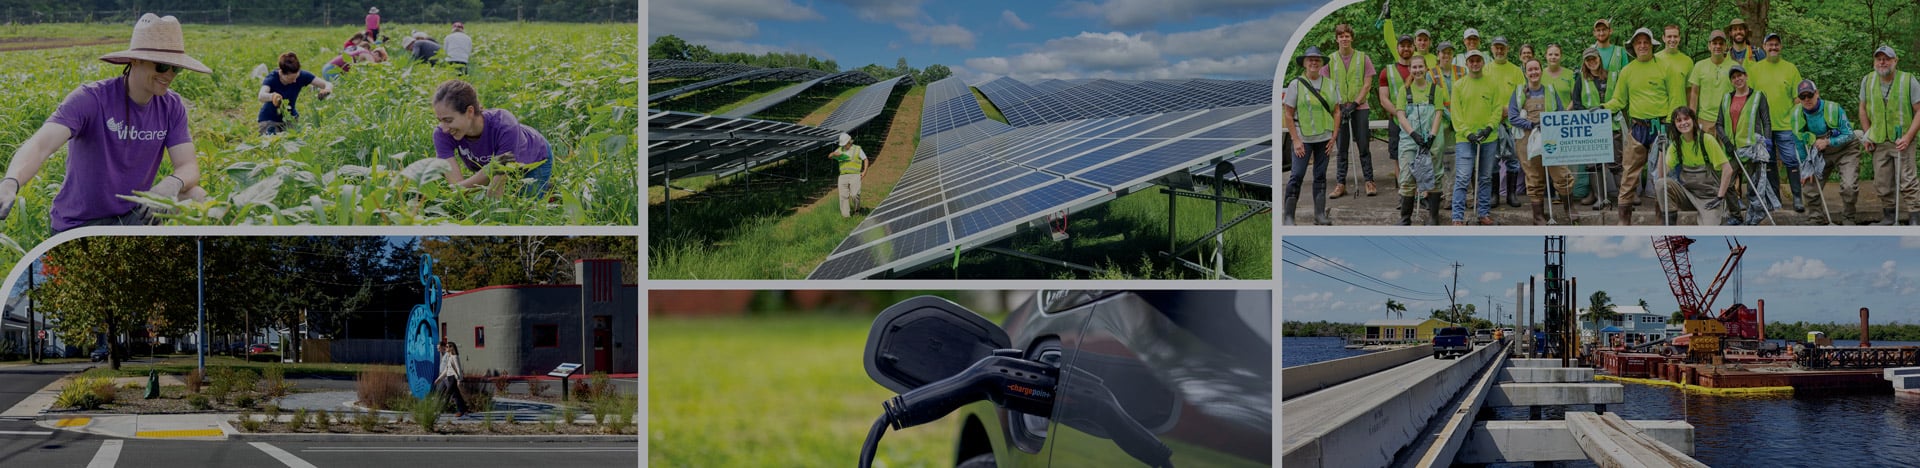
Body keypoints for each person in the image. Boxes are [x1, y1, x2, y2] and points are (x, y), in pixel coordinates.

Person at [0, 14, 209, 232]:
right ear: (136, 60)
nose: (169, 75)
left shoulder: (171, 106)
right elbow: (41, 145)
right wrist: (11, 182)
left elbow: (188, 165)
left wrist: (171, 184)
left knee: (195, 197)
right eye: (162, 66)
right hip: (80, 225)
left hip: (131, 215)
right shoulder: (92, 99)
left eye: (176, 68)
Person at [1601, 28, 1682, 225]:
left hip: (1661, 128)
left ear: (1652, 45)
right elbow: (1618, 100)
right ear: (1634, 47)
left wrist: (1672, 126)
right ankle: (1623, 220)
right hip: (1637, 128)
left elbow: (1676, 98)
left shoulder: (1666, 67)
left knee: (1661, 176)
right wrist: (1602, 108)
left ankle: (1661, 220)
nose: (1643, 45)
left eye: (1646, 42)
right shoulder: (1628, 70)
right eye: (1639, 42)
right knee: (1628, 174)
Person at [431, 79, 555, 198]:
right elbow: (456, 189)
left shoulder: (505, 126)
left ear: (470, 112)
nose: (444, 128)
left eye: (448, 120)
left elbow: (495, 193)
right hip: (500, 165)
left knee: (524, 208)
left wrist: (492, 172)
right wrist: (490, 169)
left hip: (534, 157)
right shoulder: (441, 134)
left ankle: (548, 191)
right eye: (440, 120)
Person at [1856, 45, 1920, 225]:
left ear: (1895, 61)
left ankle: (1915, 217)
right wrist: (1867, 134)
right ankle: (1889, 217)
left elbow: (1919, 111)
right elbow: (1862, 108)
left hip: (1902, 140)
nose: (1882, 62)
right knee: (1882, 182)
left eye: (1886, 58)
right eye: (1879, 58)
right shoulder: (1867, 80)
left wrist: (1908, 137)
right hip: (1878, 140)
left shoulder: (1908, 80)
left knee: (1908, 180)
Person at [1383, 55, 1448, 225]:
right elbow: (1401, 115)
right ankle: (1405, 219)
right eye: (1414, 67)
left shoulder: (1436, 90)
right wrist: (1414, 135)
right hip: (1409, 139)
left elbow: (1439, 114)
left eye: (1421, 67)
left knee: (1434, 175)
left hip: (1432, 139)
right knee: (1407, 178)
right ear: (1410, 70)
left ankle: (1433, 218)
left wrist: (1431, 137)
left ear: (1426, 69)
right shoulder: (1404, 91)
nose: (1418, 70)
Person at [1508, 59, 1573, 224]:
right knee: (1534, 177)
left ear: (1541, 71)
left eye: (1536, 69)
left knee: (1562, 174)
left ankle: (1570, 209)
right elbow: (1513, 117)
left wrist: (1548, 123)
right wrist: (1531, 124)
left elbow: (1559, 112)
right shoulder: (1518, 92)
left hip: (1550, 137)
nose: (1534, 72)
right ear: (1525, 73)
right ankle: (1538, 216)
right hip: (1527, 139)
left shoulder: (1550, 90)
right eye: (1530, 70)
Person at [1747, 33, 1806, 212]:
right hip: (1764, 126)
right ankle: (1775, 199)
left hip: (1786, 124)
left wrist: (1796, 120)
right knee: (1769, 162)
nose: (1773, 47)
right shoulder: (1755, 69)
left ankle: (1797, 197)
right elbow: (1750, 97)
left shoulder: (1790, 68)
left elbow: (1798, 98)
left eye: (1776, 45)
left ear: (1781, 47)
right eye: (1770, 44)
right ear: (1764, 47)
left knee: (1791, 160)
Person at [1794, 80, 1864, 225]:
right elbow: (1799, 142)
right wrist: (1805, 166)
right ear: (1799, 99)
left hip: (1845, 149)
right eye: (1803, 97)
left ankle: (1848, 218)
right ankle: (1816, 218)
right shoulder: (1796, 115)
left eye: (1810, 95)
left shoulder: (1833, 108)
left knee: (1849, 186)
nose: (1807, 99)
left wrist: (1828, 141)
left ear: (1817, 93)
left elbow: (1849, 134)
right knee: (1809, 185)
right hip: (1819, 153)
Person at [1284, 47, 1338, 225]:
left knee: (1320, 175)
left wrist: (1334, 137)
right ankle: (1289, 216)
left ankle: (1319, 215)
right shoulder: (1296, 84)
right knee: (1297, 175)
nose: (1314, 62)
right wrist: (1295, 140)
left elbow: (1337, 112)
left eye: (1317, 60)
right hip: (1303, 139)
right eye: (1310, 60)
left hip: (1325, 139)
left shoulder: (1330, 84)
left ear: (1322, 63)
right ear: (1305, 63)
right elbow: (1288, 114)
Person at [1450, 50, 1504, 225]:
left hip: (1488, 138)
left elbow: (1497, 109)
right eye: (1471, 61)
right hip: (1465, 139)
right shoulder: (1459, 85)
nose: (1475, 64)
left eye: (1478, 60)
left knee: (1485, 177)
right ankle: (1457, 217)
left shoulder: (1492, 84)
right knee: (1463, 177)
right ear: (1467, 63)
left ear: (1482, 62)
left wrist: (1489, 127)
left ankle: (1483, 213)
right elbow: (1456, 114)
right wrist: (1468, 133)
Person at [1658, 106, 1737, 225]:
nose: (1683, 123)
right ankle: (1670, 227)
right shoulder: (1676, 146)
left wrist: (1720, 197)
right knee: (1661, 184)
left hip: (1710, 198)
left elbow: (1728, 170)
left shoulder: (1707, 140)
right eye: (1679, 120)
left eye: (1686, 119)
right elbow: (1662, 176)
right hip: (1688, 195)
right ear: (1675, 125)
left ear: (1693, 120)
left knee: (1709, 230)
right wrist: (1660, 151)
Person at [1721, 64, 1777, 225]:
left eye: (1740, 75)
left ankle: (1754, 217)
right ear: (1731, 81)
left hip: (1752, 148)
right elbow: (1719, 123)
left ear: (1746, 76)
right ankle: (1736, 216)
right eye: (1733, 77)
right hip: (1733, 149)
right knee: (1728, 183)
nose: (1737, 79)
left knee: (1754, 185)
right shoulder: (1726, 98)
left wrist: (1767, 142)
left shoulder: (1758, 96)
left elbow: (1766, 120)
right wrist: (1726, 141)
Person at [1328, 24, 1378, 198]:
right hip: (1340, 109)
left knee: (1363, 145)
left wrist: (1355, 104)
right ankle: (1341, 183)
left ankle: (1369, 182)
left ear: (1352, 38)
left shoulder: (1363, 58)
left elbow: (1367, 84)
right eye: (1341, 36)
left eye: (1347, 36)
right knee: (1341, 148)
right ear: (1337, 39)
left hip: (1360, 108)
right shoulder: (1330, 60)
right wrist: (1339, 107)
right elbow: (1326, 87)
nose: (1344, 39)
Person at [1573, 47, 1622, 211]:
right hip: (1590, 127)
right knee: (1593, 164)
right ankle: (1600, 198)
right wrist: (1587, 115)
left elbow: (1619, 98)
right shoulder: (1581, 78)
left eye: (1594, 59)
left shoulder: (1611, 76)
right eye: (1588, 60)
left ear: (1599, 59)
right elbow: (1577, 103)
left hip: (1611, 124)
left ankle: (1623, 199)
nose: (1592, 62)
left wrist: (1604, 110)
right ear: (1585, 63)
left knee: (1616, 162)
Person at [1486, 37, 1525, 207]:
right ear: (1492, 49)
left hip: (1512, 121)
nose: (1499, 51)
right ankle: (1494, 195)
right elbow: (1483, 94)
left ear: (1507, 49)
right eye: (1497, 48)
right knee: (1493, 159)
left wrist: (1511, 110)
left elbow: (1522, 93)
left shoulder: (1516, 70)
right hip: (1493, 121)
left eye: (1502, 48)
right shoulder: (1486, 69)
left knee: (1513, 159)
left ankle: (1511, 194)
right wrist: (1496, 112)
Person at [257, 52, 333, 135]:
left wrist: (327, 90)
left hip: (290, 119)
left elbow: (327, 84)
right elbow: (261, 96)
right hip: (269, 120)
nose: (294, 81)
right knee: (274, 143)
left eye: (296, 77)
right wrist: (273, 96)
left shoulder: (302, 75)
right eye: (291, 78)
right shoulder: (272, 78)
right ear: (282, 73)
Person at [1379, 34, 1416, 174]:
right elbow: (1384, 99)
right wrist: (1400, 115)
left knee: (1421, 157)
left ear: (1414, 47)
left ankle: (1421, 194)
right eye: (1403, 46)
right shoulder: (1386, 71)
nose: (1406, 48)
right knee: (1398, 158)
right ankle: (1403, 193)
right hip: (1396, 121)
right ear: (1397, 48)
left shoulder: (1420, 68)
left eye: (1409, 45)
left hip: (1419, 120)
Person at [1691, 31, 1737, 140]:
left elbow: (1740, 93)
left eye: (1721, 43)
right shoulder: (1699, 66)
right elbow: (1694, 93)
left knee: (1726, 154)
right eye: (1714, 43)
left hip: (1727, 120)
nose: (1718, 46)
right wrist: (1692, 117)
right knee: (1706, 154)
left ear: (1726, 46)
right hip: (1705, 119)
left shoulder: (1734, 67)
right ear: (1709, 46)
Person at [1656, 25, 1694, 117]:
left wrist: (1690, 113)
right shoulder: (1655, 59)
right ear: (1663, 38)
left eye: (1675, 36)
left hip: (1681, 115)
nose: (1672, 40)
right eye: (1669, 36)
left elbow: (1689, 91)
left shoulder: (1687, 61)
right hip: (1660, 115)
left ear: (1679, 38)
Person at [830, 133, 867, 217]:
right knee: (843, 196)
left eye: (845, 144)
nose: (844, 146)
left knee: (855, 194)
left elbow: (865, 159)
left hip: (855, 175)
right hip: (843, 176)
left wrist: (864, 172)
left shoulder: (857, 149)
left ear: (849, 142)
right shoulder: (839, 150)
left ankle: (857, 211)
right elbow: (830, 156)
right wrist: (833, 154)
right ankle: (846, 216)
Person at [436, 341, 468, 418]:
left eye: (447, 347)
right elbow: (446, 370)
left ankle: (440, 410)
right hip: (449, 378)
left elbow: (458, 369)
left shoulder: (455, 357)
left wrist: (459, 380)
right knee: (456, 395)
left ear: (452, 348)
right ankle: (464, 409)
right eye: (446, 346)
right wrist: (439, 379)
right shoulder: (450, 357)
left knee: (447, 393)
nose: (446, 348)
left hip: (453, 378)